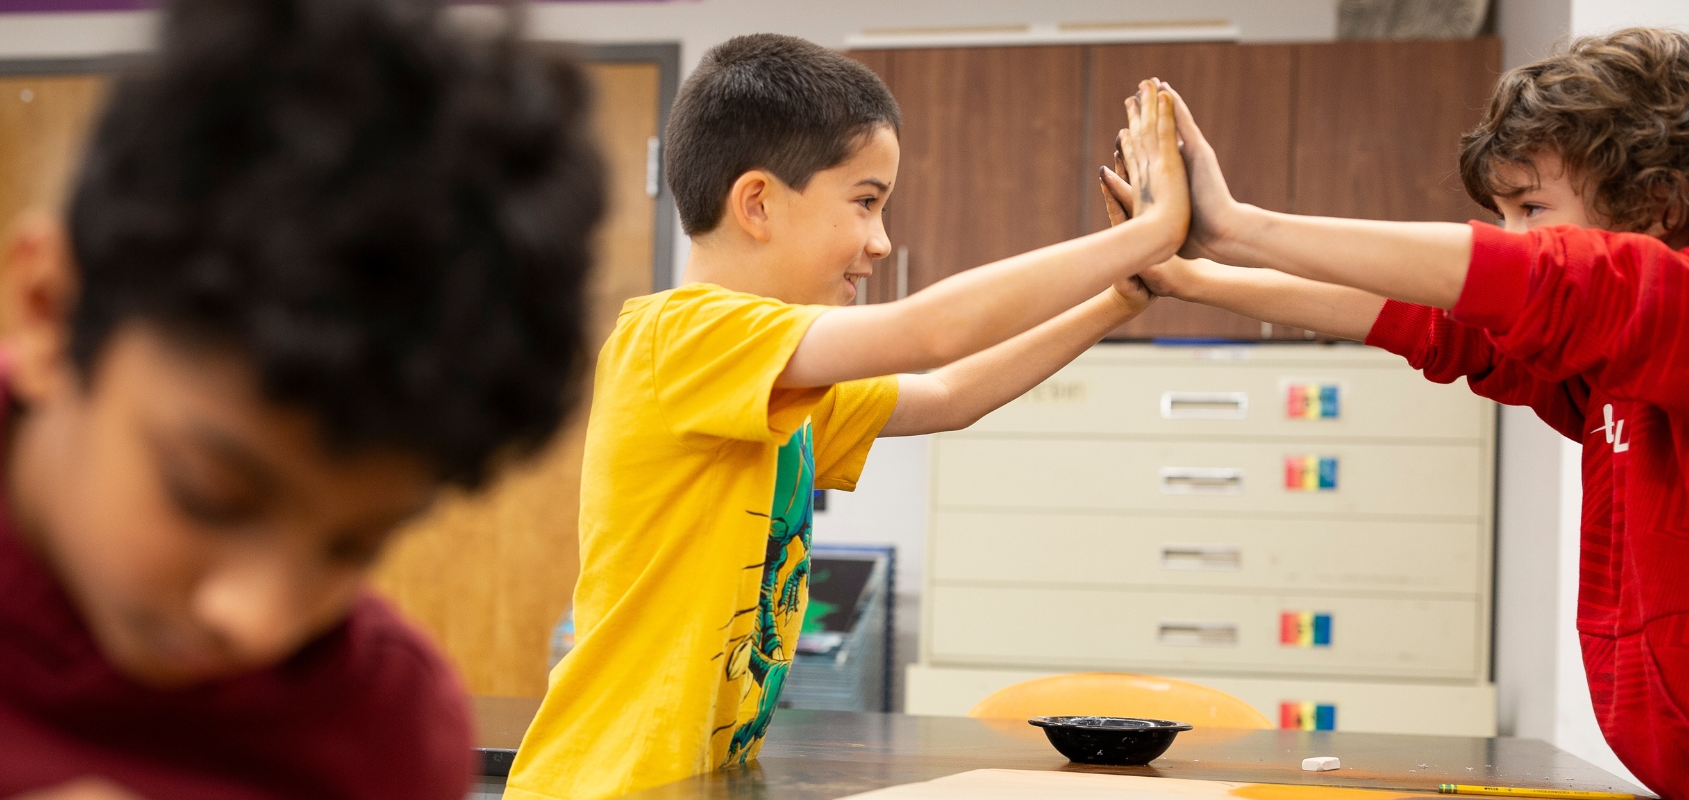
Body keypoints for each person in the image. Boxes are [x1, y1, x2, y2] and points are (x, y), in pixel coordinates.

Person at [0, 0, 603, 797]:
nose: (259, 621)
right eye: (209, 494)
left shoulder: (385, 729)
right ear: (51, 310)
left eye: (354, 544)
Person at [504, 34, 1188, 800]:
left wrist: (1118, 301)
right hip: (605, 784)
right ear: (758, 202)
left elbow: (948, 395)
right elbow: (934, 332)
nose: (881, 239)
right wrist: (1146, 234)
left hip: (696, 782)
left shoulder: (775, 376)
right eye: (865, 201)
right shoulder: (678, 339)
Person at [1102, 28, 1689, 797]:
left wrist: (1242, 226)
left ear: (1657, 202)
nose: (1514, 239)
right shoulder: (1618, 362)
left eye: (1532, 209)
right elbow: (1440, 323)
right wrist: (1197, 278)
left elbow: (1569, 284)